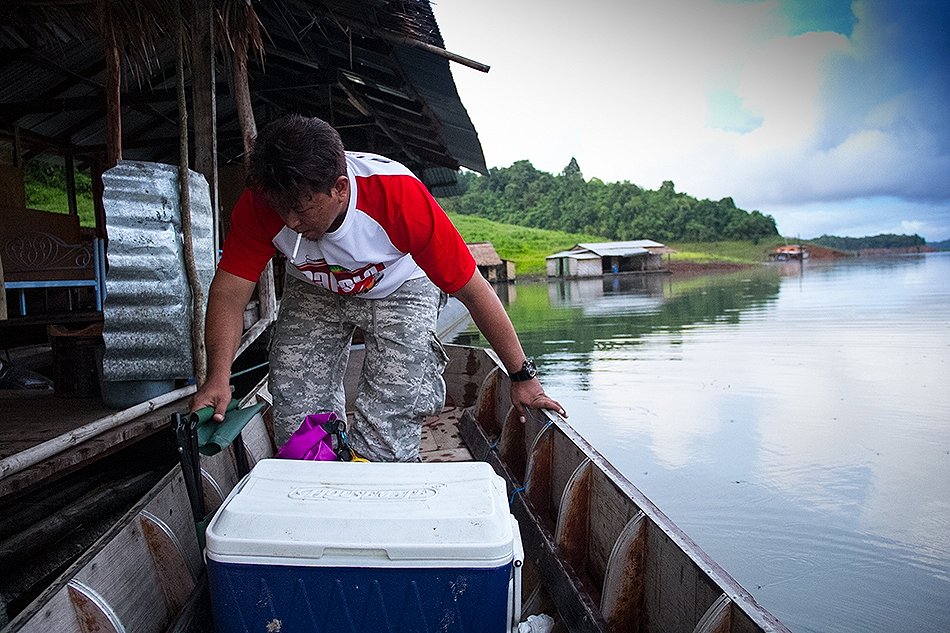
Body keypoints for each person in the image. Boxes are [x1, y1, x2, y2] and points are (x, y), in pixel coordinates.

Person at [190, 114, 565, 462]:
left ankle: (378, 486)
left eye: (302, 210)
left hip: (399, 286)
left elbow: (474, 291)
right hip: (315, 286)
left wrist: (523, 377)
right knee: (295, 407)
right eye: (280, 209)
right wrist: (218, 377)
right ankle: (319, 483)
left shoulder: (400, 199)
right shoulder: (261, 203)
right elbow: (228, 292)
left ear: (339, 188)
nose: (290, 222)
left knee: (393, 412)